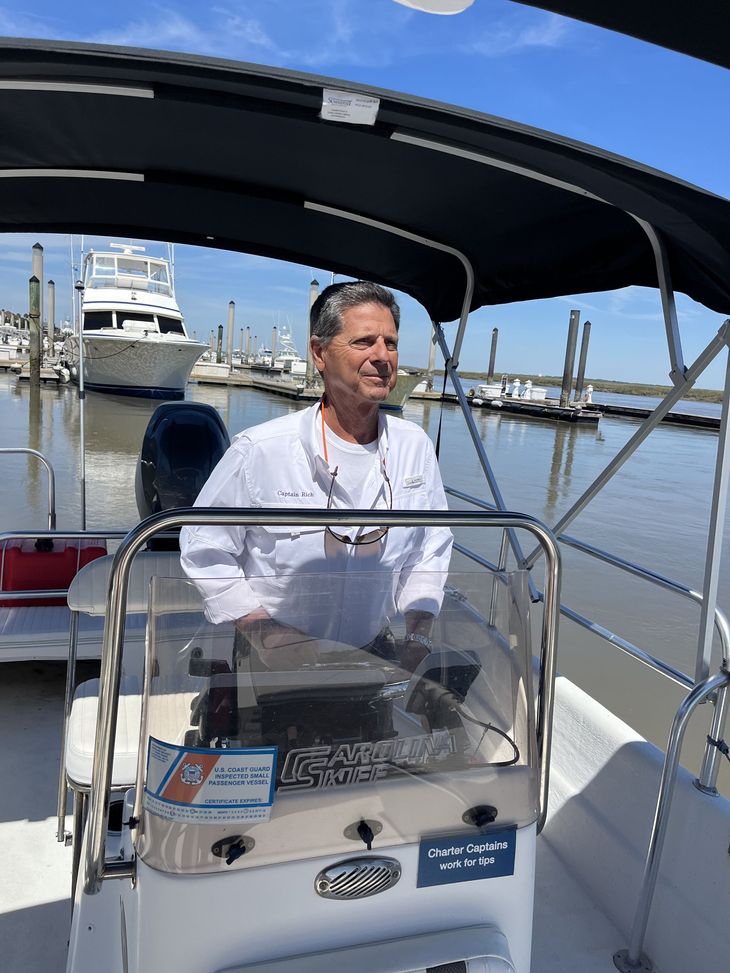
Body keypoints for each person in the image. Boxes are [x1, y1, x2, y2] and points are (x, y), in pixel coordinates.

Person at [180, 280, 452, 670]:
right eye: (364, 341)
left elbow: (431, 548)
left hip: (373, 651)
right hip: (271, 657)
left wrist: (419, 634)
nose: (382, 356)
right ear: (319, 352)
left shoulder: (415, 448)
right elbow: (203, 547)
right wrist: (262, 630)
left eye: (390, 343)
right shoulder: (261, 450)